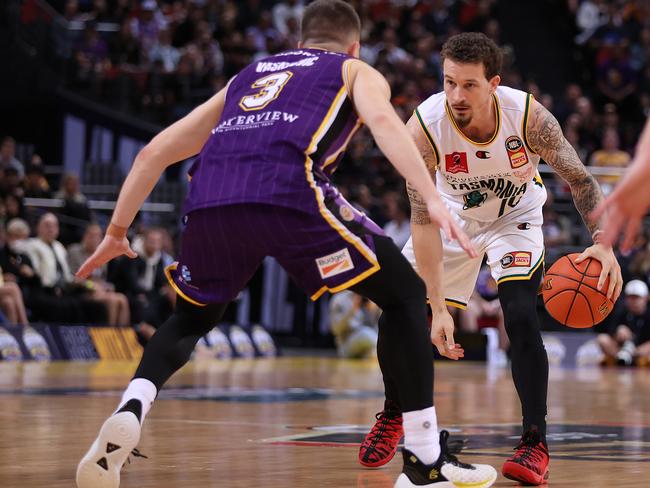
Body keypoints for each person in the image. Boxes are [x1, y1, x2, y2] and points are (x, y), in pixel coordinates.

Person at [74, 3, 496, 488]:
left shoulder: (248, 75)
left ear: (300, 42)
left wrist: (115, 233)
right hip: (289, 193)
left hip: (210, 197)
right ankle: (424, 460)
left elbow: (154, 152)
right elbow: (383, 124)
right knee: (404, 294)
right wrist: (431, 196)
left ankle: (134, 403)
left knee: (190, 317)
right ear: (354, 45)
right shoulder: (354, 69)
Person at [358, 32, 622, 486]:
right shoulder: (423, 126)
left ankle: (534, 442)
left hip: (514, 217)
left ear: (494, 83)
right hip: (450, 216)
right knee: (398, 314)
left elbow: (579, 179)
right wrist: (438, 308)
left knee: (519, 313)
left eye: (469, 85)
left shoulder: (529, 117)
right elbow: (422, 220)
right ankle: (394, 413)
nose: (457, 95)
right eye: (449, 83)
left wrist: (603, 240)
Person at [593, 118, 650, 250]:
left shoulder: (623, 156)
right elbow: (592, 176)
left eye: (613, 138)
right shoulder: (597, 156)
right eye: (608, 138)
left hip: (618, 188)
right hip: (605, 189)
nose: (610, 141)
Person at [597, 280, 650, 366]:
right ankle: (622, 358)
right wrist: (618, 331)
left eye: (637, 298)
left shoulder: (648, 315)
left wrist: (638, 350)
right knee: (602, 339)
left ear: (646, 298)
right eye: (631, 297)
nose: (634, 301)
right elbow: (609, 334)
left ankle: (631, 359)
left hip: (641, 350)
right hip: (621, 349)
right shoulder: (621, 312)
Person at [329, 290, 379, 359]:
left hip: (367, 343)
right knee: (365, 333)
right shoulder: (338, 299)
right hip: (345, 345)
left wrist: (374, 310)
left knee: (373, 353)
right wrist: (352, 310)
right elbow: (335, 330)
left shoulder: (366, 296)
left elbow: (375, 327)